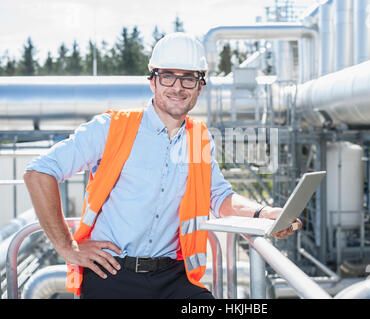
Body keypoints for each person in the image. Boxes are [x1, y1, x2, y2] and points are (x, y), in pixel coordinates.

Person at [23, 32, 302, 299]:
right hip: (111, 273)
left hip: (172, 278)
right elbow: (38, 173)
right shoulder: (112, 128)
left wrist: (263, 214)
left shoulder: (199, 138)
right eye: (168, 76)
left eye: (188, 79)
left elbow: (219, 197)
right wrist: (67, 246)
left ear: (200, 87)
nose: (178, 87)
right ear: (152, 81)